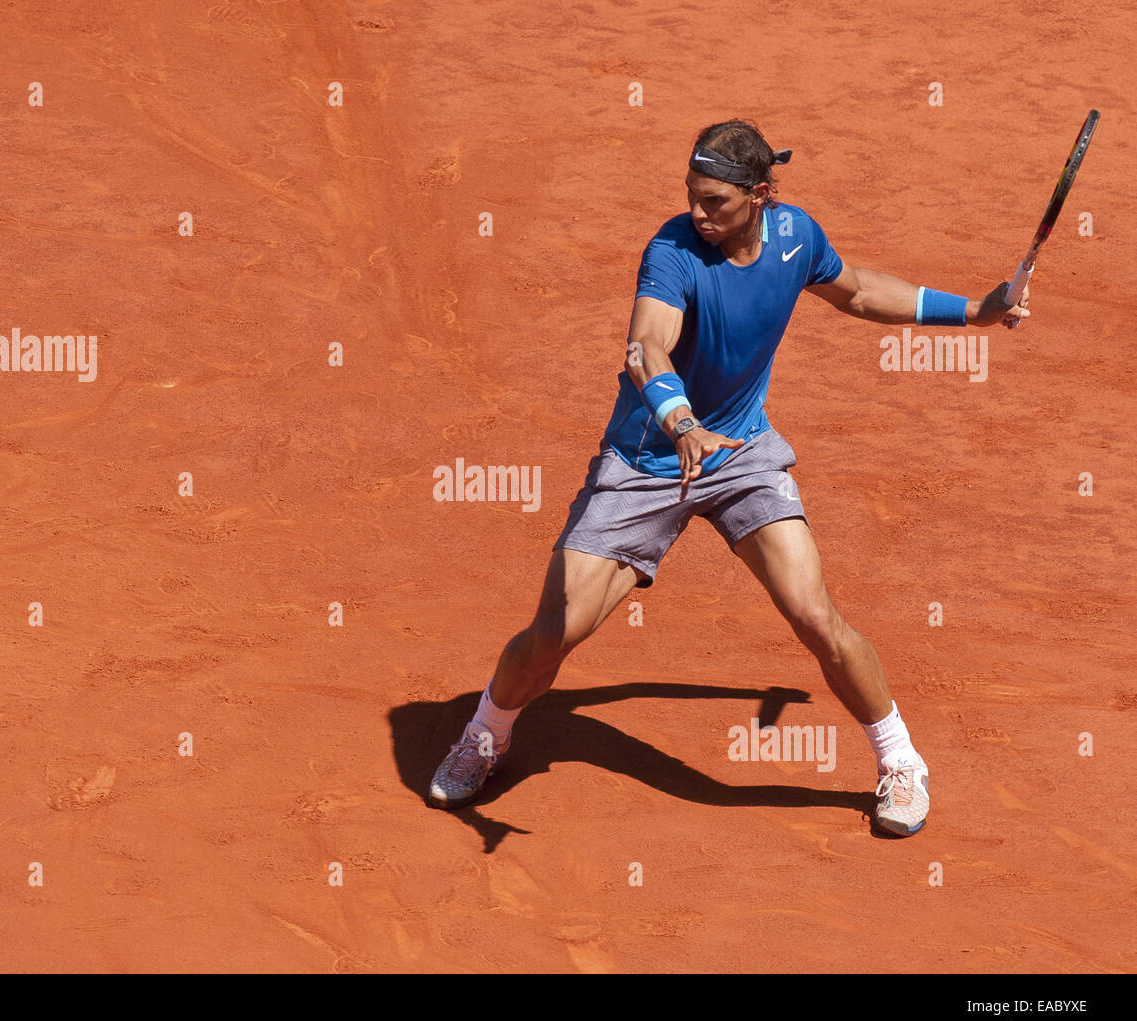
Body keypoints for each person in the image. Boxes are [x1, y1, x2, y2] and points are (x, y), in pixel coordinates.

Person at [427, 118, 1028, 836]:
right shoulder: (672, 252)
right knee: (555, 633)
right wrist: (682, 424)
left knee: (814, 616)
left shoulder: (797, 237)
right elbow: (647, 345)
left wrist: (972, 313)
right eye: (691, 196)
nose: (698, 213)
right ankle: (485, 733)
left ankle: (900, 761)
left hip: (741, 454)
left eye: (714, 201)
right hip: (648, 463)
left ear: (761, 195)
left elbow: (861, 292)